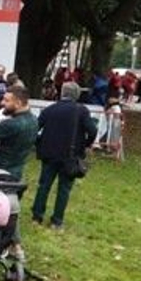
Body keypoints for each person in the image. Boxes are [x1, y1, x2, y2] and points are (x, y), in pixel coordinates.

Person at [32, 82, 99, 229]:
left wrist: (39, 142)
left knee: (44, 186)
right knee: (64, 189)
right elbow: (92, 130)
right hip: (71, 154)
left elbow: (35, 128)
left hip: (49, 153)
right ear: (77, 94)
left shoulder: (49, 109)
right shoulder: (81, 111)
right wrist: (86, 144)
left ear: (62, 92)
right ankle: (57, 220)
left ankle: (37, 216)